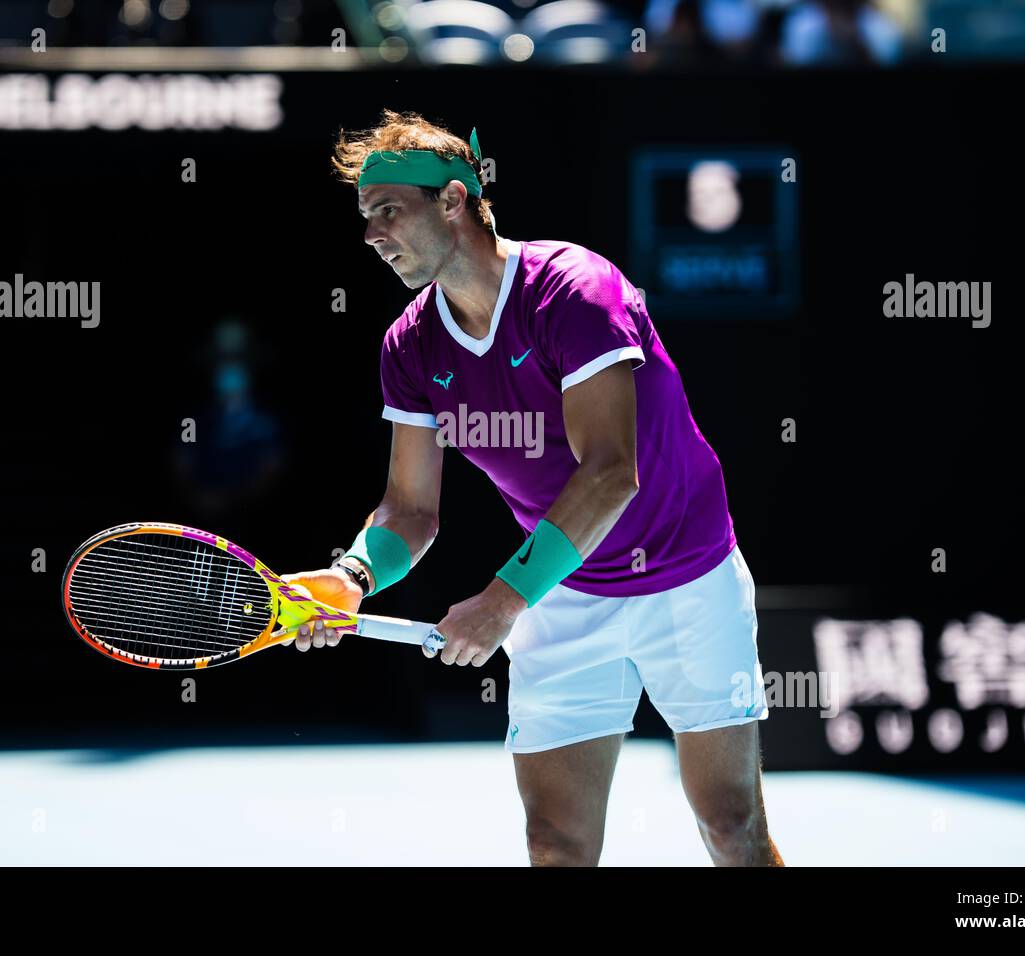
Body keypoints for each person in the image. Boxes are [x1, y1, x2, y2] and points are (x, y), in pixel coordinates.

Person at [284, 109, 783, 867]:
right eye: (364, 216)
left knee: (731, 827)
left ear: (453, 200)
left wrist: (502, 601)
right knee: (555, 842)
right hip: (562, 593)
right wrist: (352, 576)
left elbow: (612, 470)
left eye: (388, 210)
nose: (371, 234)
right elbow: (410, 511)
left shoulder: (573, 291)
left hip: (686, 581)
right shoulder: (409, 345)